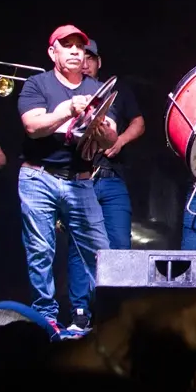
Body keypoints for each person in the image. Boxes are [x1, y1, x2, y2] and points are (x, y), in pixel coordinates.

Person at [17, 25, 116, 328]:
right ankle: (46, 318)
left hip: (81, 179)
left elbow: (111, 139)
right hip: (39, 177)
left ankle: (110, 317)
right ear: (53, 52)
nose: (75, 51)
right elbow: (33, 127)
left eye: (79, 46)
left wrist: (104, 133)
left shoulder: (95, 88)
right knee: (41, 251)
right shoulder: (37, 84)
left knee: (101, 252)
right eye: (67, 45)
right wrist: (66, 111)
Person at [66, 39, 144, 305]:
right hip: (80, 179)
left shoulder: (117, 88)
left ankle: (116, 308)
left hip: (112, 178)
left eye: (90, 58)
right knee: (79, 247)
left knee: (120, 244)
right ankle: (80, 310)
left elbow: (139, 122)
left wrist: (120, 140)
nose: (84, 63)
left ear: (99, 62)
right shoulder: (70, 90)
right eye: (80, 57)